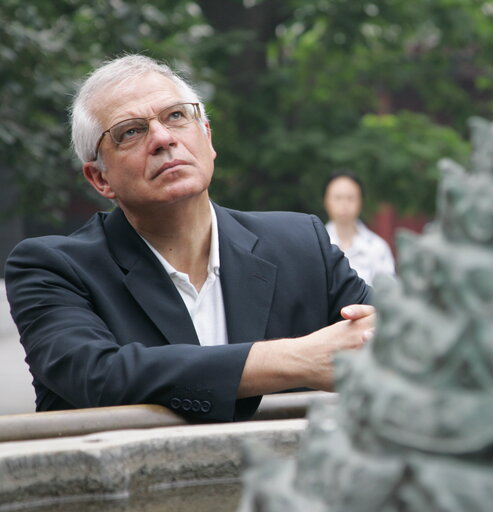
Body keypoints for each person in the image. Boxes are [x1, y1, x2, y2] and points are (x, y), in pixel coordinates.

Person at [4, 55, 375, 422]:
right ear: (100, 179)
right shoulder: (52, 268)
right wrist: (298, 360)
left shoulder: (300, 244)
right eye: (130, 131)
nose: (163, 139)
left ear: (208, 138)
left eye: (176, 116)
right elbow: (101, 374)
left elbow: (390, 340)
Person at [323, 171, 396, 286]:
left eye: (350, 198)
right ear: (326, 201)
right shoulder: (317, 245)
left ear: (360, 201)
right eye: (338, 198)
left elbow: (387, 293)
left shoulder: (377, 247)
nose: (344, 204)